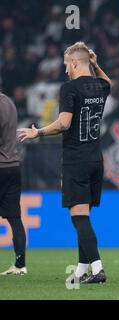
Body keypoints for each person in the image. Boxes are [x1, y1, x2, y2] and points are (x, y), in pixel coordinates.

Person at [17, 42, 112, 284]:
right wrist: (95, 63)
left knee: (79, 218)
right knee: (84, 216)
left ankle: (98, 269)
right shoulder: (100, 86)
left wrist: (37, 133)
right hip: (95, 159)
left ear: (74, 63)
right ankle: (81, 270)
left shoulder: (69, 88)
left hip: (76, 160)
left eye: (66, 64)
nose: (65, 69)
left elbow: (64, 123)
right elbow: (108, 83)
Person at [0, 93, 27, 276]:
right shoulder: (8, 101)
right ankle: (20, 265)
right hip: (13, 166)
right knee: (15, 218)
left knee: (15, 219)